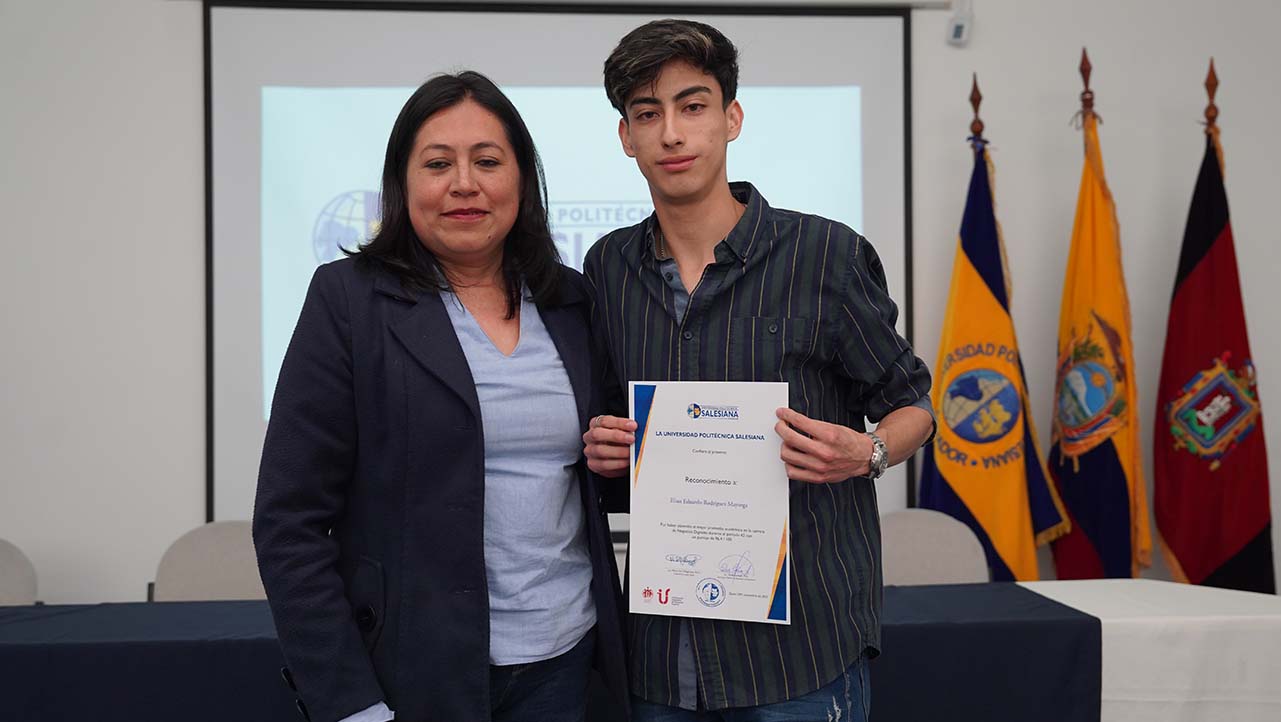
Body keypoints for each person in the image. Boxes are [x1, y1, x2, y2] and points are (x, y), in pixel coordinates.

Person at [582, 19, 935, 722]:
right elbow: (609, 428)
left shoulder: (822, 255)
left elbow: (913, 408)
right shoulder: (607, 269)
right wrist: (601, 446)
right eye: (646, 114)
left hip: (797, 654)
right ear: (626, 136)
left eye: (692, 106)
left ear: (730, 117)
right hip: (659, 653)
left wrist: (864, 452)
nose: (671, 134)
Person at [253, 71, 627, 722]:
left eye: (487, 160)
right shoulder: (348, 301)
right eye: (437, 163)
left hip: (566, 660)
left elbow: (597, 484)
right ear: (403, 183)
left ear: (522, 179)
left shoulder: (572, 301)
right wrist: (348, 702)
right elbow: (289, 525)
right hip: (411, 673)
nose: (464, 184)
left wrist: (623, 460)